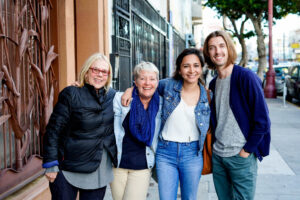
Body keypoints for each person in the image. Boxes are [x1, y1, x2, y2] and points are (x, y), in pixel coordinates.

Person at [122, 48, 211, 200]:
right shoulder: (168, 85)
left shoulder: (208, 95)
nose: (191, 70)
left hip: (192, 153)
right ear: (179, 69)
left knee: (189, 197)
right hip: (165, 153)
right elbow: (147, 85)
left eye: (196, 65)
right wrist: (129, 90)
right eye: (186, 66)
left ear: (201, 68)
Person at [203, 30, 271, 200]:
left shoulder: (246, 77)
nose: (217, 51)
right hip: (219, 156)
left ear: (229, 48)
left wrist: (247, 150)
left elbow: (263, 121)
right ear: (208, 53)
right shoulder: (213, 84)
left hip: (240, 156)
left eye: (221, 46)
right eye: (212, 48)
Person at [42, 53, 117, 200]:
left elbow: (141, 94)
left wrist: (130, 91)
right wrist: (50, 164)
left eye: (104, 72)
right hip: (67, 168)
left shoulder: (113, 97)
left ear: (108, 76)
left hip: (98, 169)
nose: (99, 75)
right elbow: (53, 130)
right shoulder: (71, 94)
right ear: (86, 71)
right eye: (95, 70)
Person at [111, 61, 162, 200]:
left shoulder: (162, 104)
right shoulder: (120, 99)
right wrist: (78, 87)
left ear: (158, 82)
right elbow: (98, 97)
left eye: (152, 79)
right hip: (118, 164)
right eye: (142, 78)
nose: (147, 83)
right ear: (135, 81)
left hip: (142, 165)